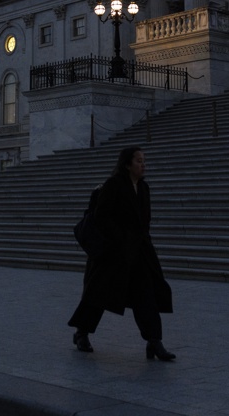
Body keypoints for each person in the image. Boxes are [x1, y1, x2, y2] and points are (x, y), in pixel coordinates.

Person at [68, 146, 175, 361]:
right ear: (127, 164)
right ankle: (81, 333)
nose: (143, 165)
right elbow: (101, 218)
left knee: (146, 296)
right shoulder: (113, 185)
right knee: (97, 295)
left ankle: (154, 341)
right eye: (138, 161)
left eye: (144, 161)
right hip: (113, 253)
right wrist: (121, 239)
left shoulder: (144, 188)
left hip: (139, 252)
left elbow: (145, 223)